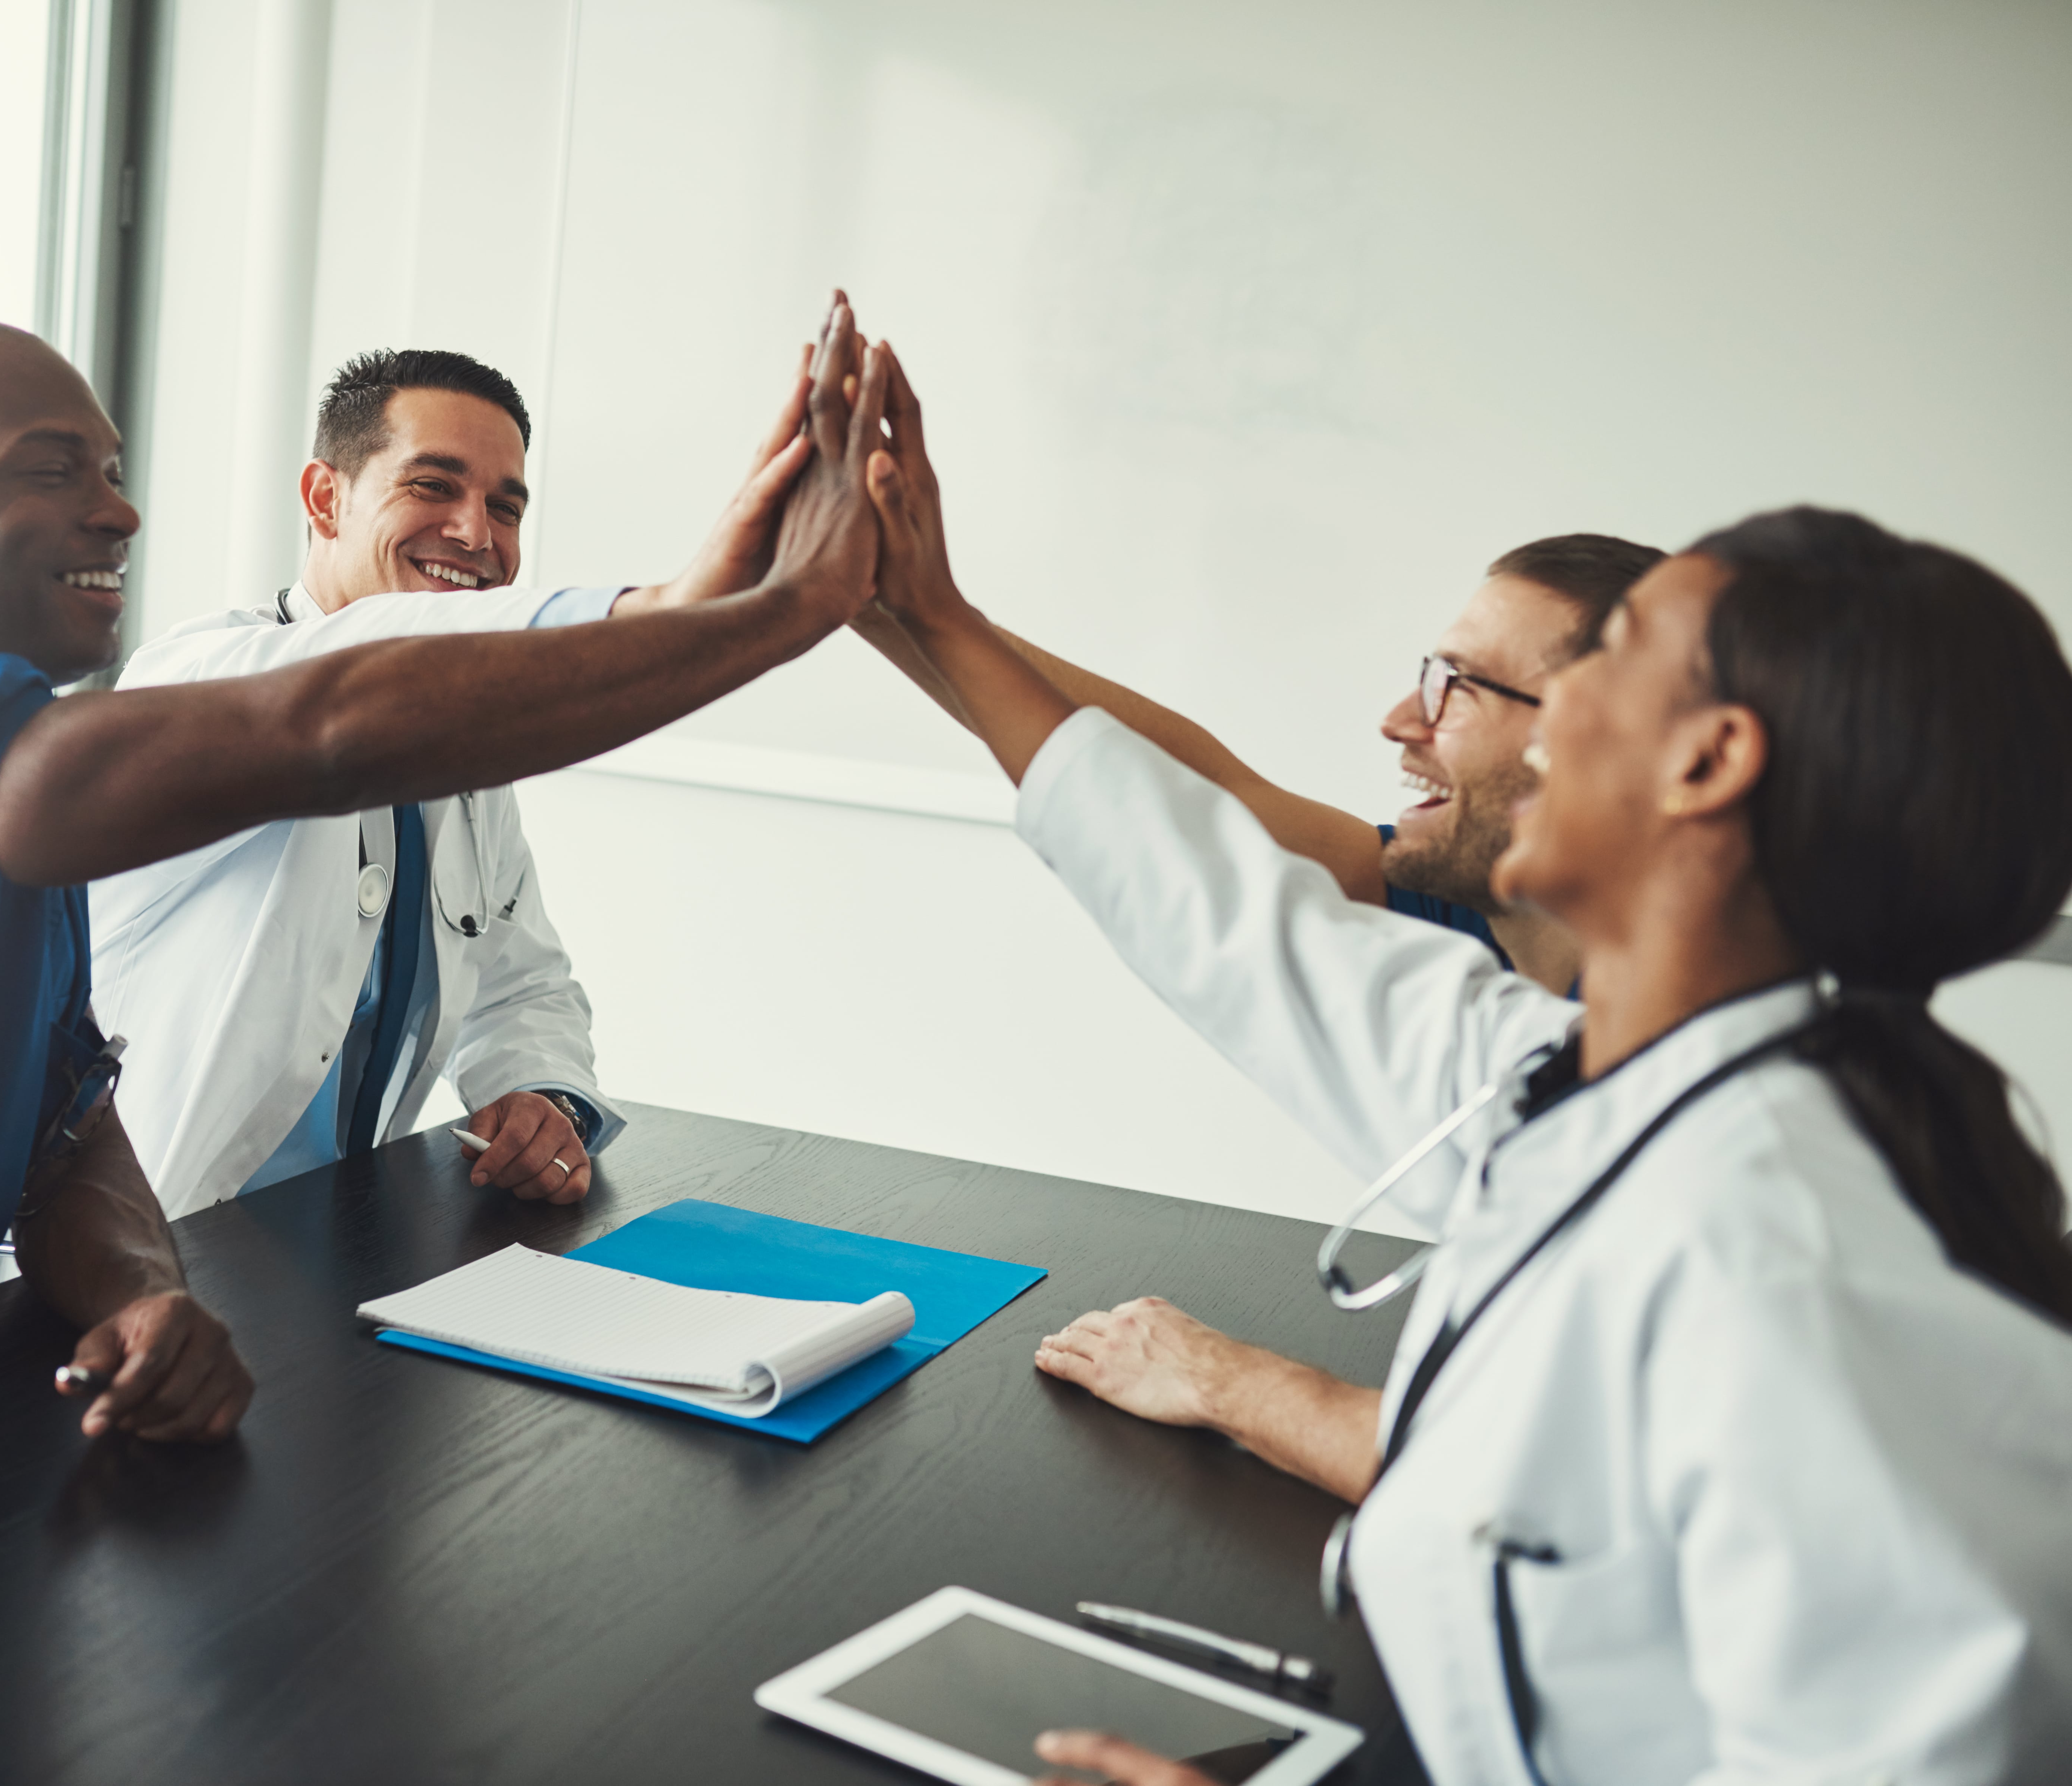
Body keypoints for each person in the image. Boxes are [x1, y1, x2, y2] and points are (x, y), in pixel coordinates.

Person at [861, 342, 2072, 1778]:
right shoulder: (1575, 1085)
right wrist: (916, 610)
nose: (1414, 724)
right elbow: (1226, 904)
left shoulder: (1786, 1250)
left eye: (1604, 669)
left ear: (1708, 763)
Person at [0, 301, 888, 1478]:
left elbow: (63, 1131)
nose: (118, 515)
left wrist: (138, 1290)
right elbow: (315, 723)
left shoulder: (9, 806)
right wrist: (741, 616)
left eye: (114, 472)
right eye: (52, 470)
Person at [91, 347, 815, 1216]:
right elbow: (349, 680)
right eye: (434, 487)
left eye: (505, 507)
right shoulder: (201, 677)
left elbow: (521, 981)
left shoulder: (463, 755)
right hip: (151, 1245)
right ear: (326, 498)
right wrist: (670, 611)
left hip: (338, 1235)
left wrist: (544, 1098)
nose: (478, 535)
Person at [856, 532, 1662, 994]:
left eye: (1458, 689)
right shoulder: (1471, 906)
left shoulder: (1700, 1069)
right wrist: (883, 601)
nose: (1398, 722)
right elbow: (1200, 786)